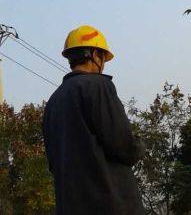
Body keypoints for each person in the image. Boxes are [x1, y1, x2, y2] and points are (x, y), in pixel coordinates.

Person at [43, 25, 145, 215]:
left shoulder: (53, 102)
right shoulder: (98, 86)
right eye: (103, 57)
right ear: (94, 54)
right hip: (109, 205)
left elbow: (53, 164)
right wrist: (139, 145)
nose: (104, 63)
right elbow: (123, 145)